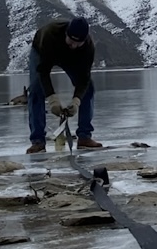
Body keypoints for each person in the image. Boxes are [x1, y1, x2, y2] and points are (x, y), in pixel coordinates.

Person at [25, 16, 102, 154]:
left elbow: (83, 79)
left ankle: (84, 137)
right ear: (66, 33)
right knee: (36, 91)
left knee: (88, 89)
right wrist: (52, 99)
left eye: (78, 43)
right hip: (43, 51)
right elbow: (43, 71)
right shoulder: (51, 34)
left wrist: (76, 100)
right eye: (71, 41)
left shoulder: (87, 48)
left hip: (72, 60)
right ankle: (38, 141)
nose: (73, 45)